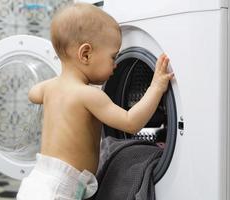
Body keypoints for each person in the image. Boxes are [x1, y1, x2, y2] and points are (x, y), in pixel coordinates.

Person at [16, 2, 174, 200]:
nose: (115, 64)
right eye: (113, 57)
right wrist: (156, 87)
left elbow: (32, 93)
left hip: (39, 180)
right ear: (85, 54)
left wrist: (57, 83)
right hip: (61, 191)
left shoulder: (50, 88)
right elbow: (131, 122)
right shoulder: (89, 95)